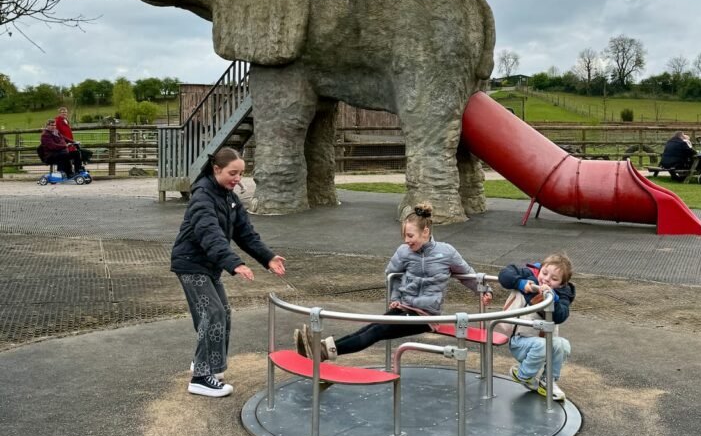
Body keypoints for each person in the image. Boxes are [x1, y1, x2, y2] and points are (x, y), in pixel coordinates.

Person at [294, 202, 491, 360]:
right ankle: (322, 349)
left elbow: (467, 274)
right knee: (372, 326)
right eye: (404, 235)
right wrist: (395, 297)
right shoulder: (404, 251)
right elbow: (392, 274)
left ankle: (324, 351)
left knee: (377, 330)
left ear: (426, 232)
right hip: (404, 307)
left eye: (410, 235)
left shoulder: (446, 252)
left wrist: (484, 290)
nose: (406, 240)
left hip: (426, 316)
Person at [171, 147, 286, 398]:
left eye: (241, 173)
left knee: (222, 312)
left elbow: (245, 233)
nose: (237, 178)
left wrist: (267, 257)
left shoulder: (229, 197)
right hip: (191, 264)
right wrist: (234, 263)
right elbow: (209, 235)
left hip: (209, 265)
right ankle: (200, 377)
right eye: (232, 173)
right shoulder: (203, 197)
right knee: (211, 313)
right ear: (216, 169)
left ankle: (213, 366)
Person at [496, 253, 575, 401]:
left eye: (554, 279)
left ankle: (548, 381)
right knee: (542, 345)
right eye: (545, 273)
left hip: (543, 342)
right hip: (520, 340)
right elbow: (504, 275)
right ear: (540, 269)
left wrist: (552, 300)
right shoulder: (530, 276)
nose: (546, 279)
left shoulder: (562, 294)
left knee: (563, 345)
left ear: (562, 284)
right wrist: (520, 283)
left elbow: (561, 315)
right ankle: (522, 374)